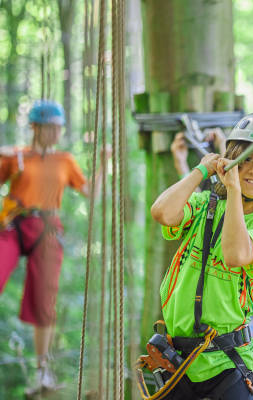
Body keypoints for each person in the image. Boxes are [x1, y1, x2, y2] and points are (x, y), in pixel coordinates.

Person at [149, 112, 253, 399]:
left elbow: (235, 254)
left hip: (227, 362)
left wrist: (233, 187)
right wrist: (200, 171)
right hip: (178, 358)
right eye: (248, 160)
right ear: (231, 161)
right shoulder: (206, 204)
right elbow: (162, 213)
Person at [0, 100, 108, 394]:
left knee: (44, 303)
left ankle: (42, 373)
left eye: (59, 128)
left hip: (47, 230)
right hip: (14, 225)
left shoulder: (64, 161)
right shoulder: (17, 157)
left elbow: (92, 194)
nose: (57, 133)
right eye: (51, 127)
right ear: (35, 128)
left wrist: (103, 164)